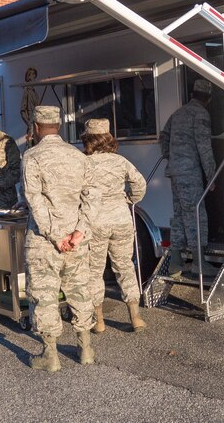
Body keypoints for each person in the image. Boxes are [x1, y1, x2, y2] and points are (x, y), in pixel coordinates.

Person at [23, 106, 100, 372]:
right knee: (79, 289)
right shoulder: (79, 156)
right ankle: (86, 348)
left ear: (35, 127)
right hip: (76, 241)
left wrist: (56, 236)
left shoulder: (32, 156)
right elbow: (92, 198)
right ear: (58, 125)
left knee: (44, 294)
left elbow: (34, 201)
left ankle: (50, 355)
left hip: (45, 241)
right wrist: (79, 233)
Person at [81, 118, 148, 333]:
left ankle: (99, 321)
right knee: (125, 266)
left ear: (88, 139)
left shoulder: (84, 163)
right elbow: (140, 184)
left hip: (95, 221)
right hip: (121, 219)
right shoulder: (121, 161)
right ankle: (135, 317)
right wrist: (129, 199)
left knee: (95, 271)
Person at [159, 79, 218, 278]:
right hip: (190, 172)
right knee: (196, 214)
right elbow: (204, 147)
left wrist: (170, 156)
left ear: (193, 94)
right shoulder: (201, 114)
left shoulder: (178, 113)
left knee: (180, 214)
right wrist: (212, 175)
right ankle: (200, 263)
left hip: (175, 171)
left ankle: (176, 261)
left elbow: (164, 135)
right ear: (208, 98)